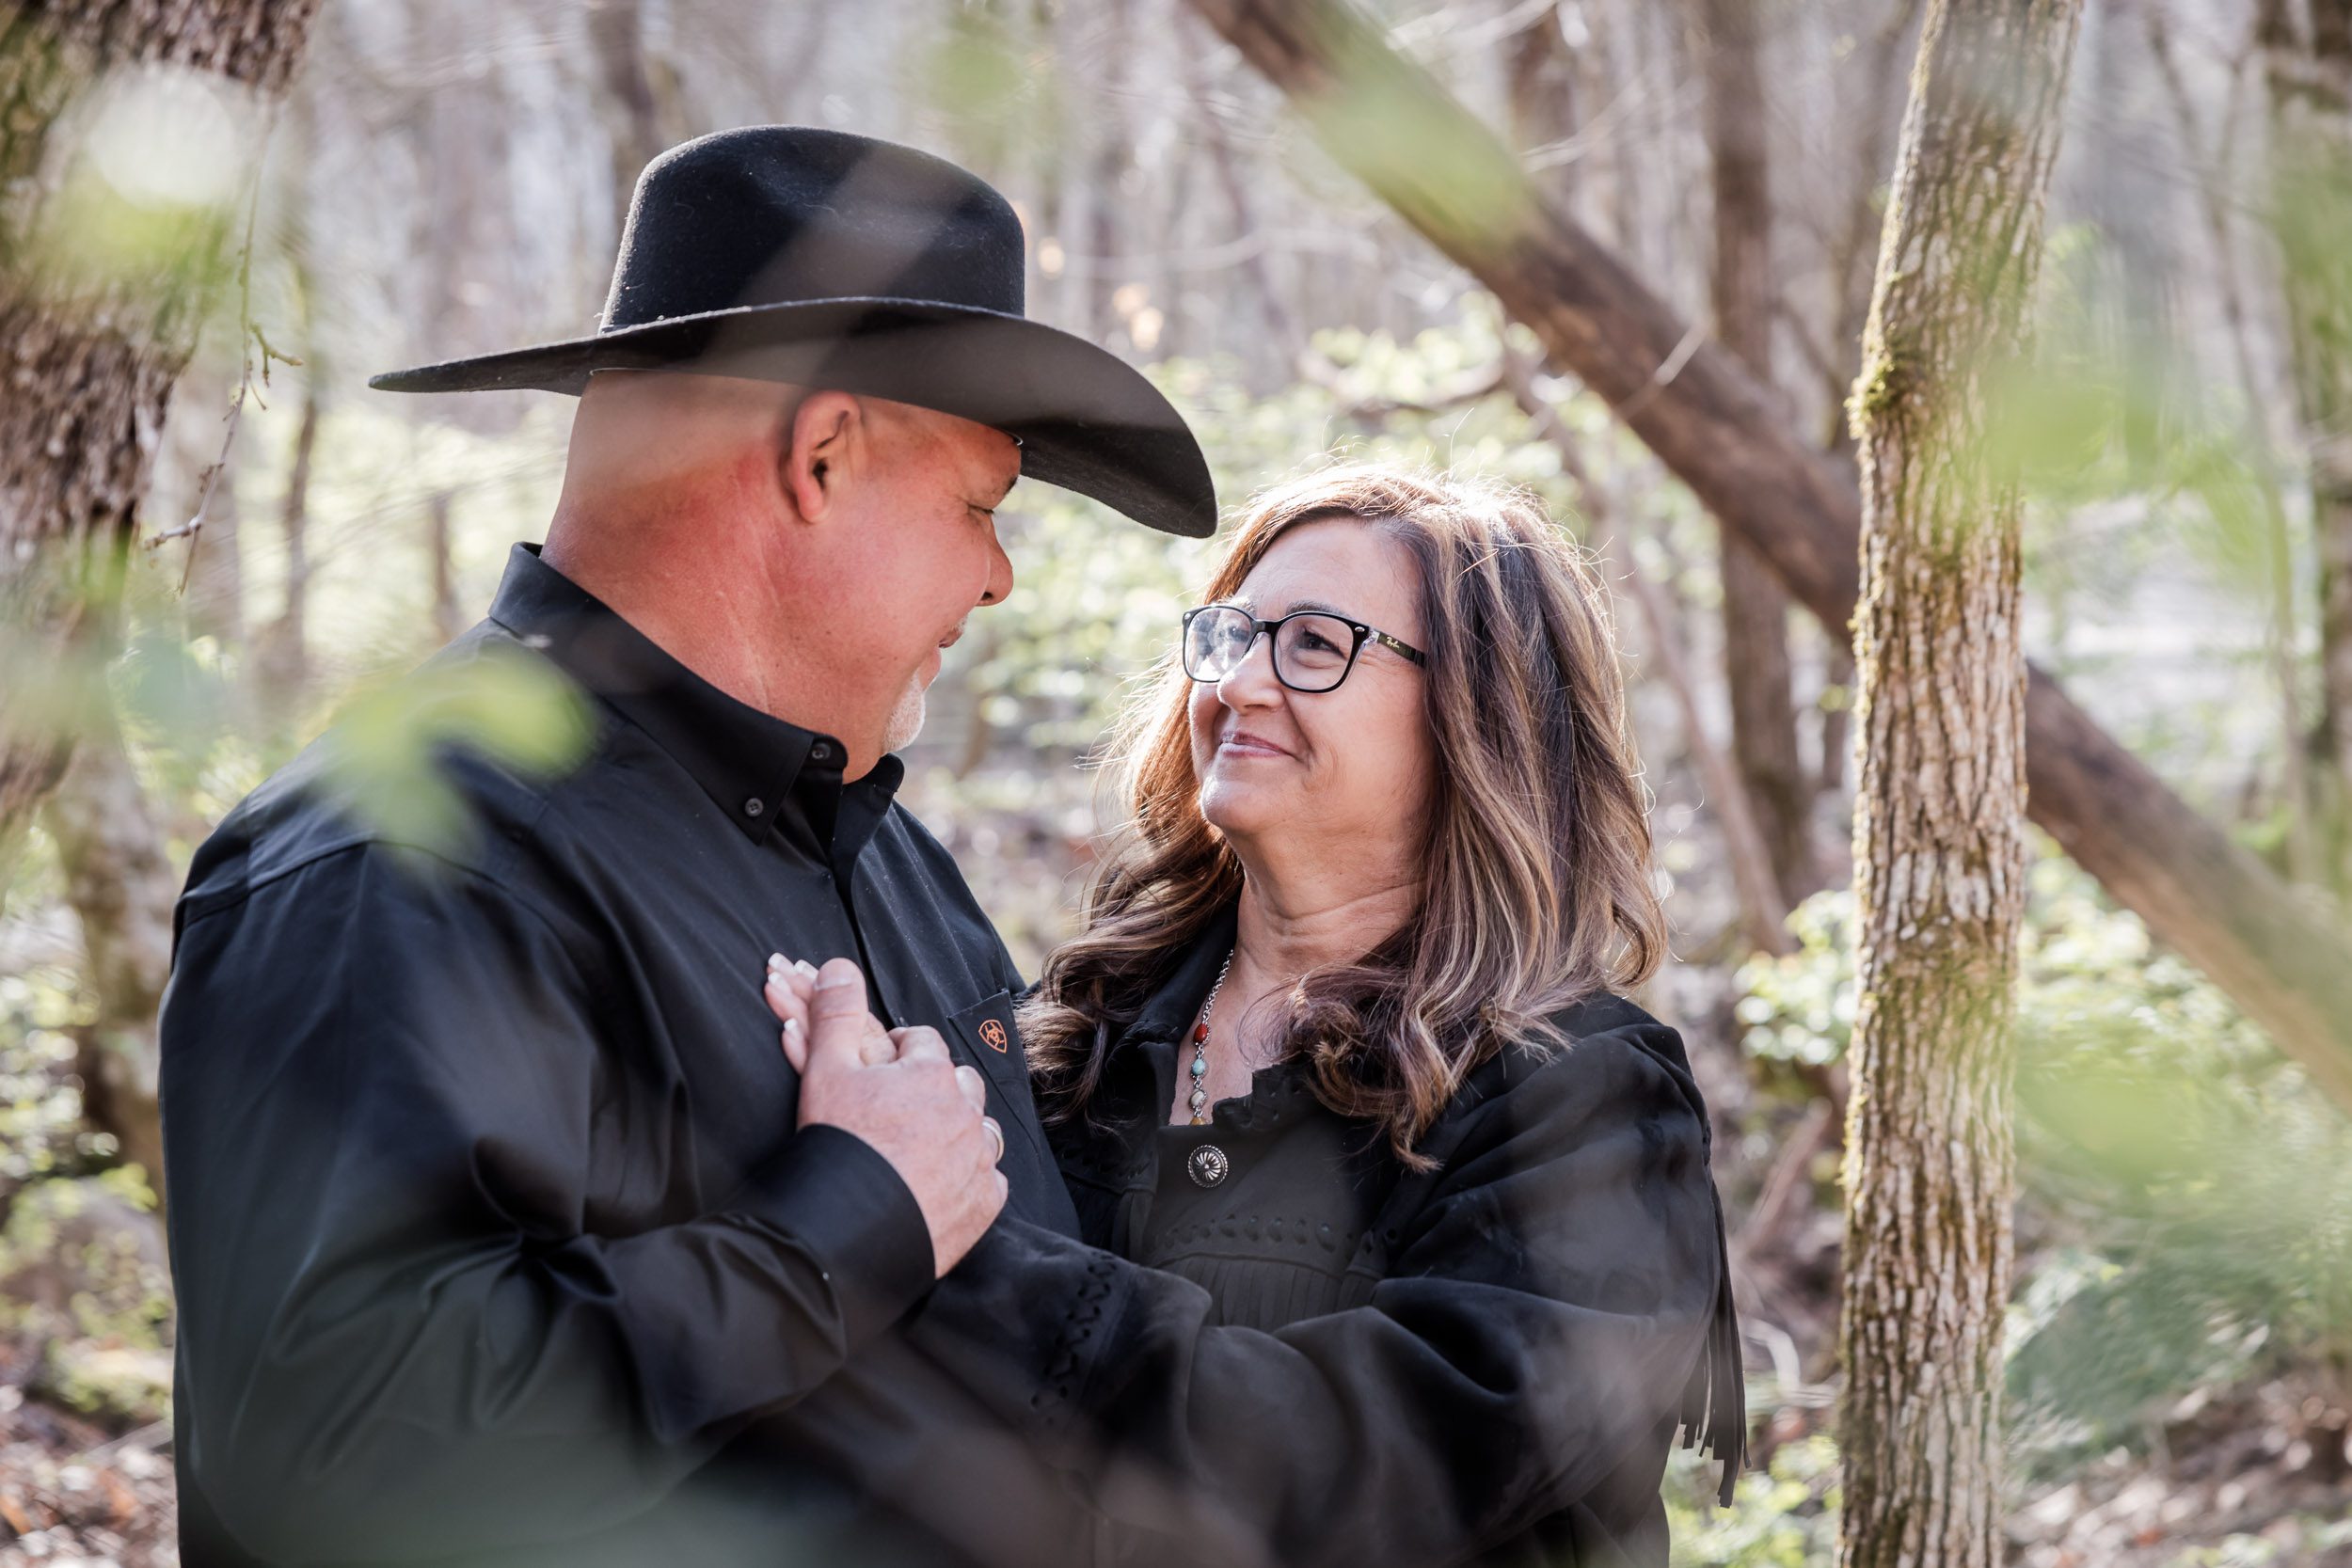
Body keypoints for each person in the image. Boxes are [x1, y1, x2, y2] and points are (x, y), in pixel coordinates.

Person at [159, 126, 1216, 1566]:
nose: (1000, 571)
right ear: (823, 454)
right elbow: (336, 1457)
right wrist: (845, 1222)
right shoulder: (390, 859)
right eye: (978, 505)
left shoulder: (894, 864)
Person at [766, 466, 1747, 1567]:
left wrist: (944, 1245)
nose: (1239, 682)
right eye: (1231, 635)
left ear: (1478, 712)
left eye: (1315, 645)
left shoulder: (1584, 1100)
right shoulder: (1074, 1035)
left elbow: (1364, 1468)